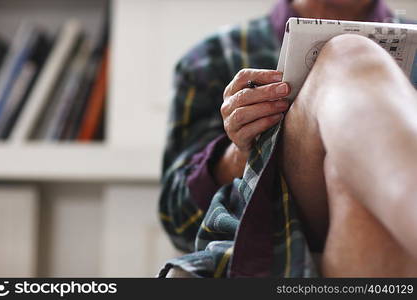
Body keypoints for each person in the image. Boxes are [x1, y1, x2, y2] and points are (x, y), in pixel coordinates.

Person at [158, 0, 416, 277]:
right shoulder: (215, 55)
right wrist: (242, 152)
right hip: (279, 214)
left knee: (348, 178)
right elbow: (179, 220)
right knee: (349, 51)